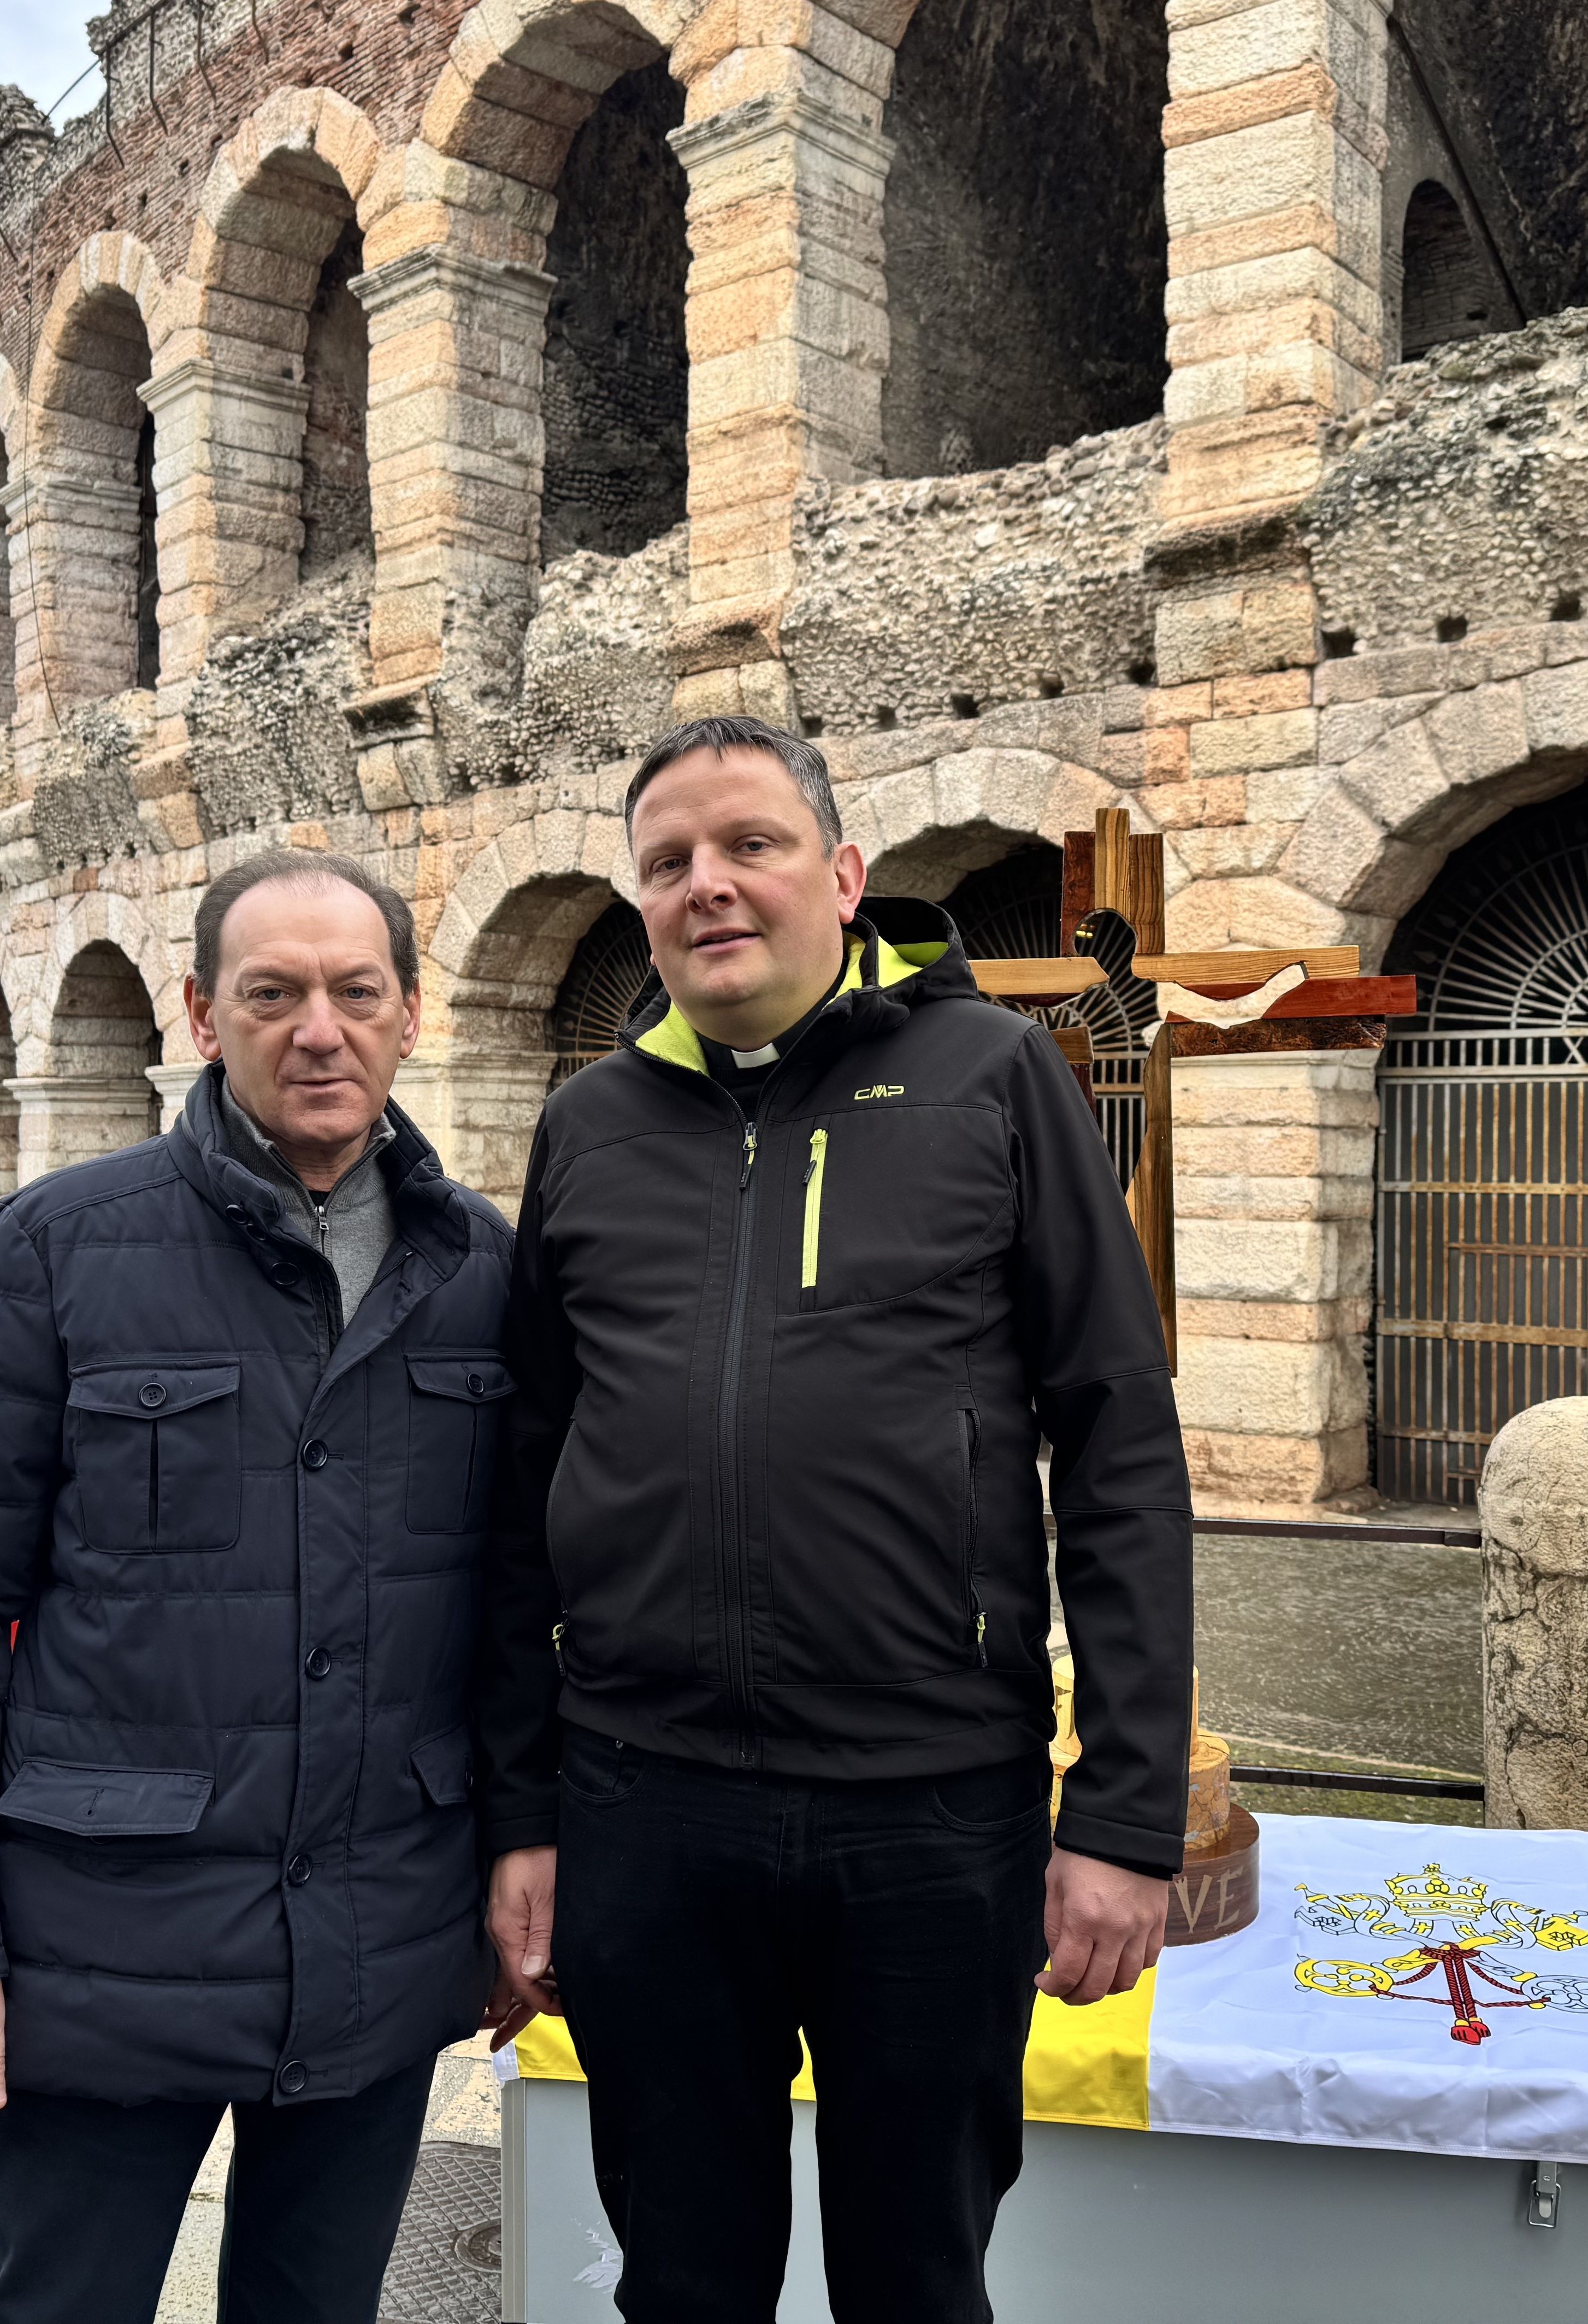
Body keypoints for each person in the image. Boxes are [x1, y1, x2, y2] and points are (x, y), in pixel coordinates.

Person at [479, 717, 1194, 2322]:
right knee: (680, 2274)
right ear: (639, 903)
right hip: (646, 1803)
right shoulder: (588, 1125)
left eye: (752, 844)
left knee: (919, 2275)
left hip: (931, 1804)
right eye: (668, 861)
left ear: (847, 875)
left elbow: (1120, 1445)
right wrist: (520, 1805)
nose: (709, 884)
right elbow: (521, 1488)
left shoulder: (994, 1079)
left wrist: (1125, 1812)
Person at [0, 850, 520, 2324]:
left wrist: (510, 1869)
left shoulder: (484, 1267)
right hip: (105, 1949)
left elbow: (509, 1612)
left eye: (357, 993)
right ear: (202, 1014)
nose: (319, 1029)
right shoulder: (62, 1250)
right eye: (272, 993)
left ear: (412, 1013)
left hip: (376, 1936)